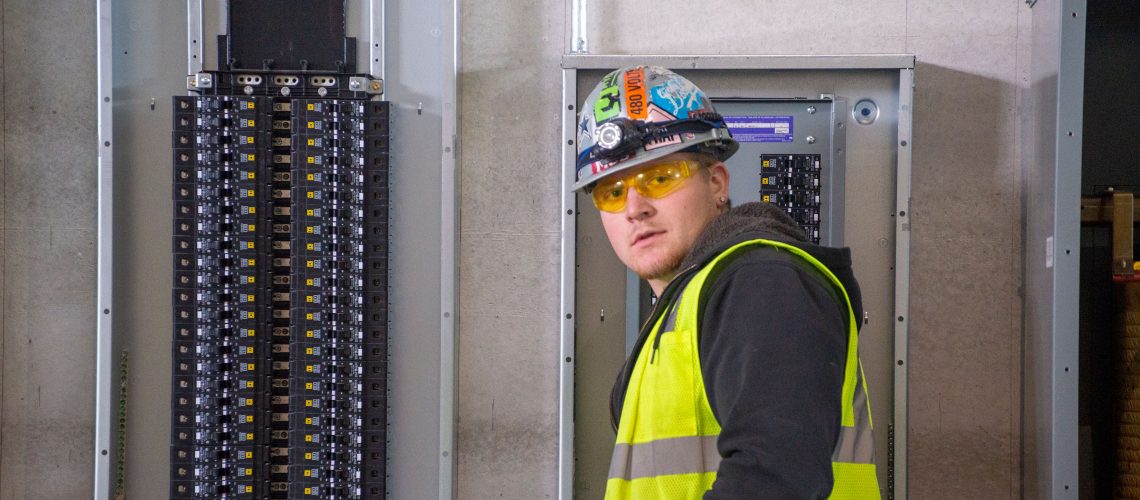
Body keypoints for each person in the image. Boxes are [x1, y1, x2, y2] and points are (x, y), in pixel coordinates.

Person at [573, 66, 880, 499]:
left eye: (659, 178)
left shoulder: (761, 281)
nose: (634, 207)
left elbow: (774, 475)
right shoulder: (685, 308)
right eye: (612, 191)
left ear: (716, 182)